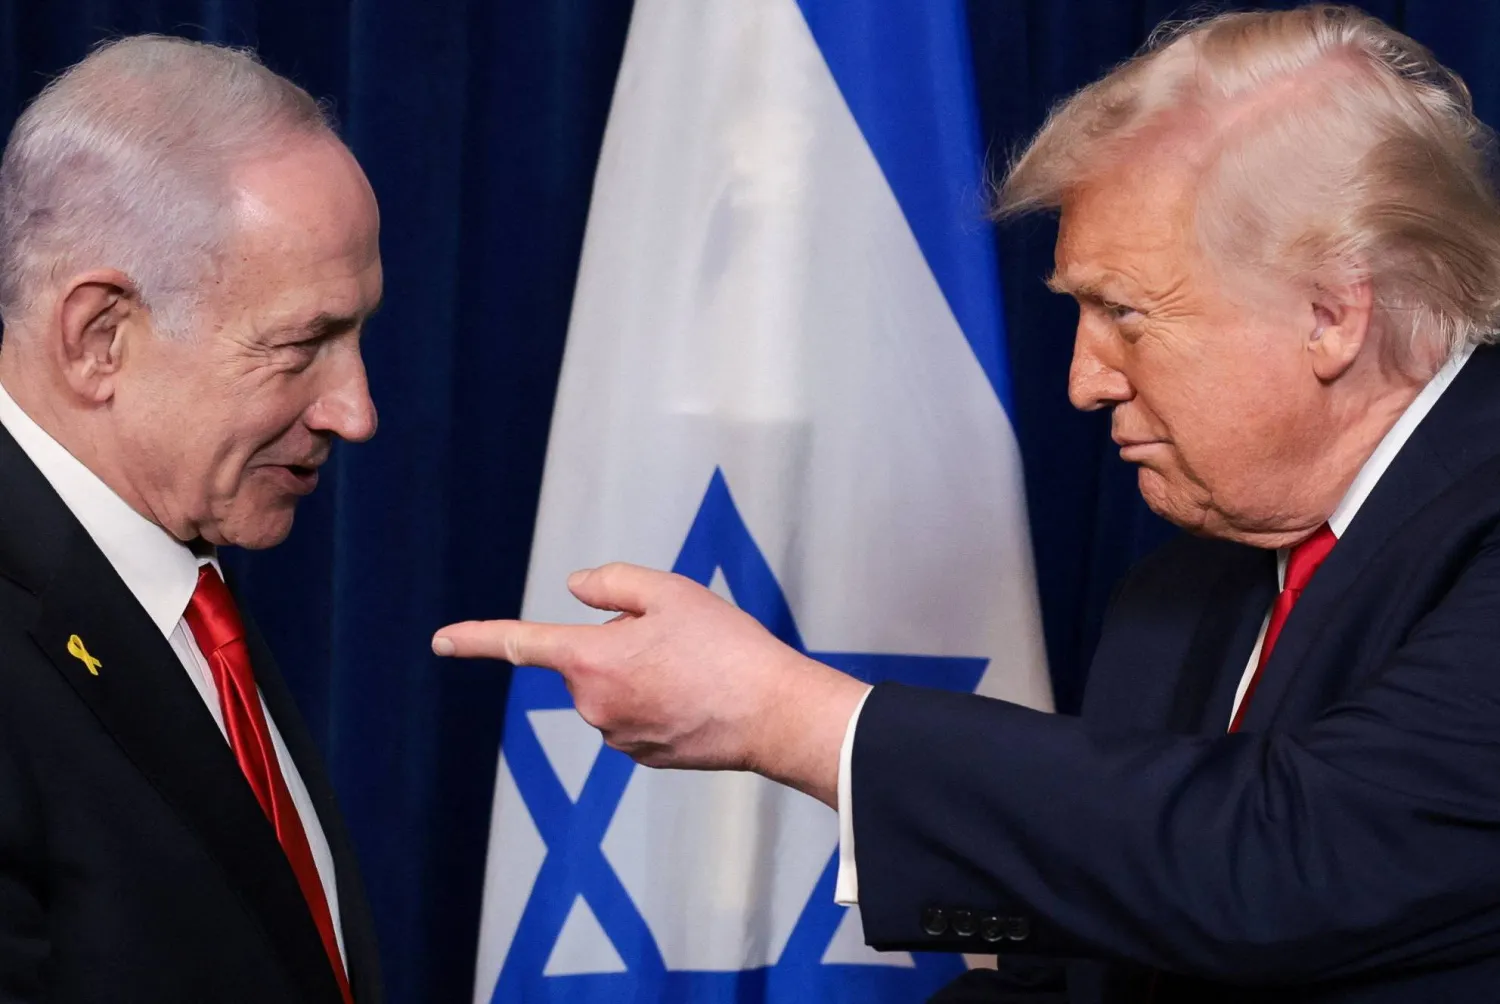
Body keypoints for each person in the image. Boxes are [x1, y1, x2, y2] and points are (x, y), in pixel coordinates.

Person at [435, 6, 1500, 1001]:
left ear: (1331, 314)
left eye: (1125, 312)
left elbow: (1287, 861)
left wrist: (791, 715)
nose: (1085, 379)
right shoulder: (1184, 589)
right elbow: (1099, 948)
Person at [0, 36, 383, 1003]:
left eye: (359, 335)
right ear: (100, 339)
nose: (356, 410)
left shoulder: (179, 582)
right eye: (304, 345)